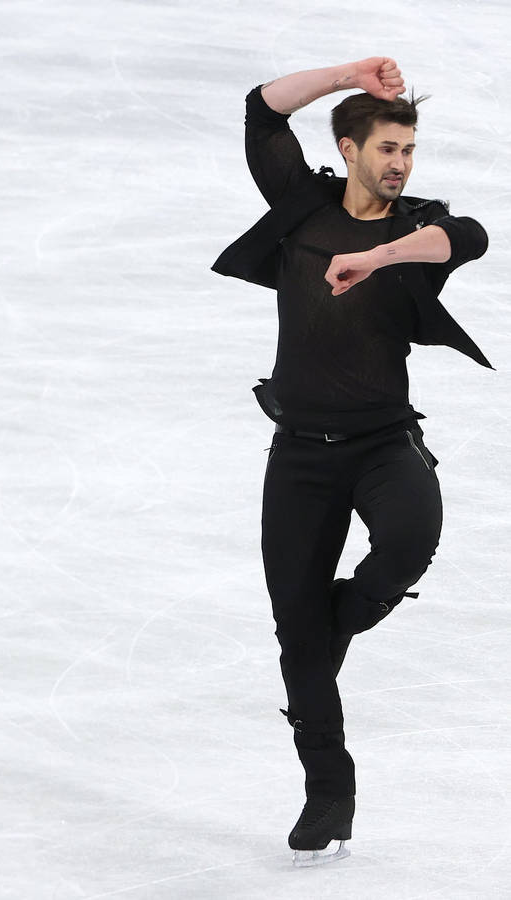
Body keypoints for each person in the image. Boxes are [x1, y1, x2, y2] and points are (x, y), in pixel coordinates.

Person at [212, 58, 490, 865]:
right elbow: (260, 112)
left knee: (408, 541)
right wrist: (345, 73)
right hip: (298, 454)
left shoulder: (418, 225)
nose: (400, 163)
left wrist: (379, 258)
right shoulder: (301, 208)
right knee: (298, 647)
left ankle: (332, 622)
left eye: (409, 149)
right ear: (349, 144)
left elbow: (466, 238)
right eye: (388, 148)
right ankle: (329, 788)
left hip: (382, 442)